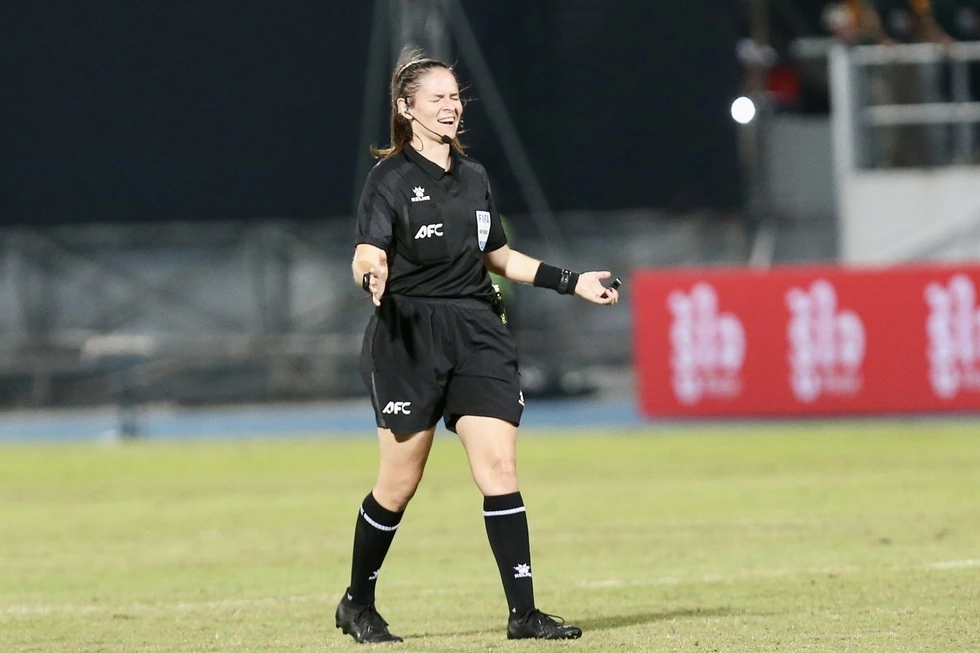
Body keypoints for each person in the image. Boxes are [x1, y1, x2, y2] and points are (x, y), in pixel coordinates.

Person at [335, 53, 619, 644]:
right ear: (406, 108)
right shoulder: (388, 180)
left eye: (454, 96)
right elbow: (367, 252)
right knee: (399, 485)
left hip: (477, 331)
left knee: (499, 468)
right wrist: (370, 274)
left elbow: (499, 257)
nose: (450, 106)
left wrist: (573, 282)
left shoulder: (475, 176)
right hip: (408, 337)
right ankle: (357, 602)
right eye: (436, 97)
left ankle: (524, 614)